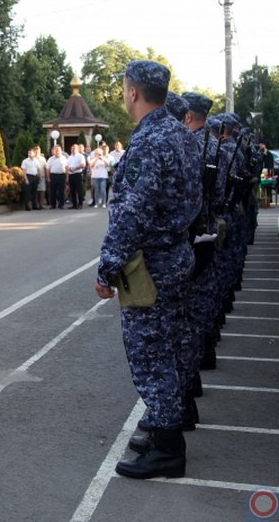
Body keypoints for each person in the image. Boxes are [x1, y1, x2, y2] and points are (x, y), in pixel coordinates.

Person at [95, 60, 200, 480]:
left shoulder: (150, 140)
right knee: (170, 350)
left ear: (133, 92)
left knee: (151, 356)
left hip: (152, 265)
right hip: (175, 255)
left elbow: (132, 213)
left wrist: (108, 268)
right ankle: (163, 434)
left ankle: (168, 448)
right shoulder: (179, 133)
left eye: (124, 88)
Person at [66, 144, 87, 209]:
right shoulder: (69, 157)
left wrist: (74, 168)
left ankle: (80, 204)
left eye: (74, 148)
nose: (73, 149)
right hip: (71, 175)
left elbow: (83, 165)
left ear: (77, 149)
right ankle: (74, 204)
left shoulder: (80, 156)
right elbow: (66, 165)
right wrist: (68, 168)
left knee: (79, 190)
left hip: (78, 174)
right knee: (72, 190)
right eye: (72, 148)